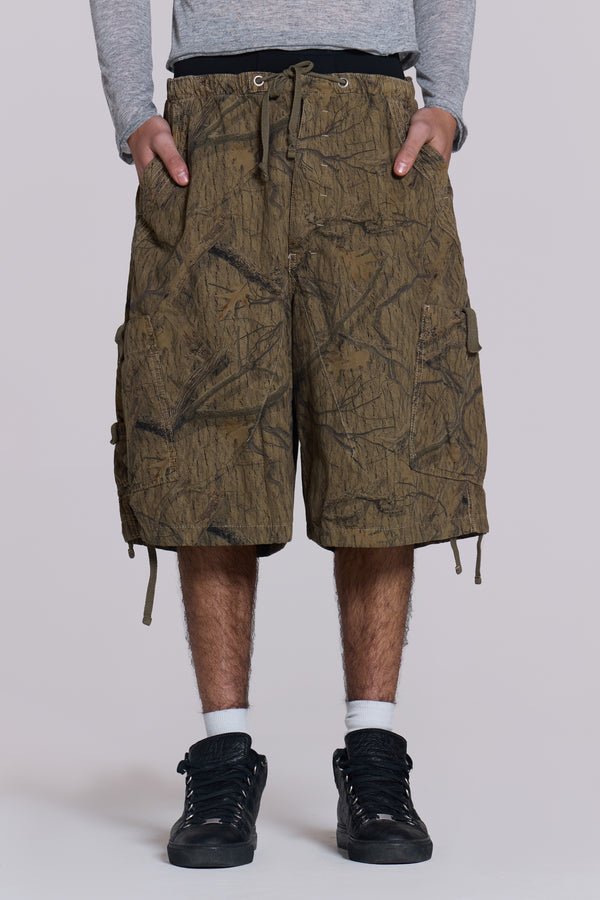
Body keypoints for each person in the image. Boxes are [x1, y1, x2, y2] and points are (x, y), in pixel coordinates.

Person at [89, 0, 488, 868]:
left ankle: (374, 756)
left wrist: (446, 103)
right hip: (212, 126)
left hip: (371, 123)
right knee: (207, 443)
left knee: (383, 436)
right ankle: (223, 760)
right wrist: (133, 112)